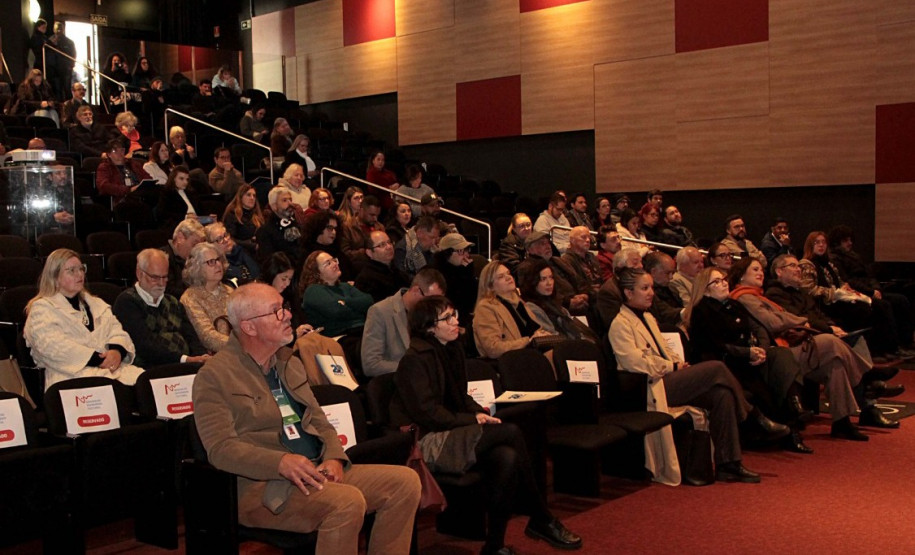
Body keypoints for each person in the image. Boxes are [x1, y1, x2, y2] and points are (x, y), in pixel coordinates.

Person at [192, 283, 421, 554]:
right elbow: (221, 449)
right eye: (276, 311)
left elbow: (320, 422)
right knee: (347, 503)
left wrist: (334, 458)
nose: (288, 315)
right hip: (261, 487)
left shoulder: (289, 362)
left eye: (285, 307)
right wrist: (280, 462)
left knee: (405, 483)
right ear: (249, 327)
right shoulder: (214, 375)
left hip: (314, 471)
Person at [391, 295, 582, 554]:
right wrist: (472, 419)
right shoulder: (414, 360)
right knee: (511, 432)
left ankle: (494, 546)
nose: (455, 321)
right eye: (447, 318)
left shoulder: (452, 350)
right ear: (429, 327)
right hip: (426, 441)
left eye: (454, 314)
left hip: (452, 431)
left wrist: (478, 413)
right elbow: (428, 414)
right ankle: (540, 517)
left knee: (507, 457)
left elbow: (462, 398)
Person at [609, 267, 786, 484]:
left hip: (666, 377)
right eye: (644, 288)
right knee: (716, 368)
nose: (651, 293)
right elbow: (636, 363)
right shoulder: (620, 324)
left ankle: (728, 464)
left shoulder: (647, 317)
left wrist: (677, 363)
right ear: (628, 293)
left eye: (651, 287)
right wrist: (672, 366)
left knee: (722, 395)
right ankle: (752, 415)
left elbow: (666, 349)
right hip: (649, 387)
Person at [727, 256, 893, 439]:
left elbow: (788, 318)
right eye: (755, 270)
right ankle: (867, 376)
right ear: (741, 275)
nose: (761, 273)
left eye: (760, 269)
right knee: (830, 341)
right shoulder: (744, 297)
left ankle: (842, 422)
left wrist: (800, 322)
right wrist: (801, 321)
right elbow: (773, 322)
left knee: (835, 363)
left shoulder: (759, 295)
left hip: (791, 345)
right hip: (778, 355)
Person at [684, 267, 812, 453]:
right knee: (765, 380)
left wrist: (762, 350)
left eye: (724, 279)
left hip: (750, 357)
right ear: (706, 289)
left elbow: (759, 328)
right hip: (725, 362)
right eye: (717, 281)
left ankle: (795, 406)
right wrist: (747, 353)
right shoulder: (702, 311)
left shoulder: (734, 305)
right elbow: (714, 346)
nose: (724, 283)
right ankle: (786, 428)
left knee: (781, 355)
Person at [24, 248, 145, 390]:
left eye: (81, 269)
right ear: (55, 278)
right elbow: (53, 347)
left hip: (110, 370)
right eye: (72, 270)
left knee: (146, 382)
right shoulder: (42, 309)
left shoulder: (96, 304)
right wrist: (98, 359)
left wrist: (117, 351)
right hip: (69, 376)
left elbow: (117, 331)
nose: (80, 274)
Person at [800, 231, 909, 359]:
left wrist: (846, 288)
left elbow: (840, 281)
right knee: (866, 309)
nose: (821, 245)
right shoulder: (806, 264)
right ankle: (875, 351)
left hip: (840, 298)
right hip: (825, 303)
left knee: (879, 305)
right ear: (810, 245)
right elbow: (809, 290)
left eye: (823, 242)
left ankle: (888, 348)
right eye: (817, 242)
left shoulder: (829, 264)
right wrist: (834, 293)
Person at [112, 249, 210, 367]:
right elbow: (144, 346)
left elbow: (191, 337)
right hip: (152, 368)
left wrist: (202, 357)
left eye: (165, 277)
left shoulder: (172, 301)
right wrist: (185, 359)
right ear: (139, 274)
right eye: (155, 277)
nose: (161, 283)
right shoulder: (127, 302)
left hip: (186, 365)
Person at [361, 268, 447, 377]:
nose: (434, 307)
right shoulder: (380, 311)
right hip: (396, 380)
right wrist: (414, 368)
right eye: (431, 300)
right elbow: (371, 365)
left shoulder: (432, 314)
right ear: (416, 290)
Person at [473, 261, 553, 359]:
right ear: (490, 286)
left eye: (508, 273)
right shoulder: (486, 307)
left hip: (533, 355)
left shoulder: (519, 301)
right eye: (501, 277)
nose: (508, 278)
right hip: (510, 361)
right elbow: (493, 348)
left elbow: (535, 330)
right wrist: (528, 341)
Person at [518, 259, 598, 343]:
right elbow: (551, 336)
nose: (549, 283)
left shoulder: (556, 304)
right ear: (533, 282)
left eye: (551, 278)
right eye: (543, 279)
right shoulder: (532, 308)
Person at [299, 251, 374, 337]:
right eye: (328, 263)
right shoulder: (313, 290)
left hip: (362, 330)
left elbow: (369, 302)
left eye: (334, 260)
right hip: (338, 337)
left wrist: (345, 302)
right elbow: (337, 312)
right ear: (317, 273)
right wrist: (359, 309)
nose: (335, 264)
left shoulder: (345, 286)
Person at [180, 243, 233, 353]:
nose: (218, 265)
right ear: (197, 268)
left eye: (218, 260)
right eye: (211, 262)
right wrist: (240, 346)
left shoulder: (229, 291)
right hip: (217, 355)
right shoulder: (190, 298)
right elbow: (207, 337)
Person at [431, 233, 478, 327]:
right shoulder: (436, 274)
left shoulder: (463, 270)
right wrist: (466, 276)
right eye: (461, 251)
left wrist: (468, 275)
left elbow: (472, 302)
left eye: (467, 250)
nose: (466, 255)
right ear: (447, 253)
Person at [354, 230, 409, 303]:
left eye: (389, 242)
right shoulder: (366, 279)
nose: (389, 247)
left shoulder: (395, 269)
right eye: (382, 245)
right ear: (369, 252)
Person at [261, 252, 308, 338]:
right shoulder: (260, 298)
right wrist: (294, 334)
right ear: (272, 274)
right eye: (283, 279)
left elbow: (299, 317)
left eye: (290, 279)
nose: (287, 283)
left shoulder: (289, 292)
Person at [301, 210, 356, 281]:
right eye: (330, 228)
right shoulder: (308, 255)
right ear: (319, 228)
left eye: (335, 229)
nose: (334, 232)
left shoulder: (339, 253)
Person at [256, 186, 303, 268]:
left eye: (290, 200)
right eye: (284, 200)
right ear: (274, 206)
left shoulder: (297, 224)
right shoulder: (265, 231)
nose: (290, 204)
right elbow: (270, 263)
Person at [97, 139, 152, 205]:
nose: (119, 153)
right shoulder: (105, 167)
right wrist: (128, 189)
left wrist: (142, 186)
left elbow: (148, 178)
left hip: (141, 195)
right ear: (109, 154)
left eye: (122, 150)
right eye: (115, 151)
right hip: (122, 198)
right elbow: (103, 186)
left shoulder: (133, 164)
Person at [157, 166, 212, 230]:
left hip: (197, 223)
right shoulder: (167, 193)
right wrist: (185, 217)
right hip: (180, 225)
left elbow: (201, 209)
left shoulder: (191, 192)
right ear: (173, 179)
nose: (185, 182)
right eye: (181, 179)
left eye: (187, 179)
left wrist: (208, 218)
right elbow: (162, 213)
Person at [164, 219, 206, 299]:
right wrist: (197, 294)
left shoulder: (196, 257)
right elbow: (167, 290)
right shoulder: (163, 258)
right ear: (180, 238)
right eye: (194, 244)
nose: (198, 250)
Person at [223, 184, 264, 255]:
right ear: (240, 197)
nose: (252, 198)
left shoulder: (257, 215)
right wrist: (252, 245)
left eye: (254, 196)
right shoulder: (232, 214)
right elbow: (230, 239)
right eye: (248, 195)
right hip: (240, 252)